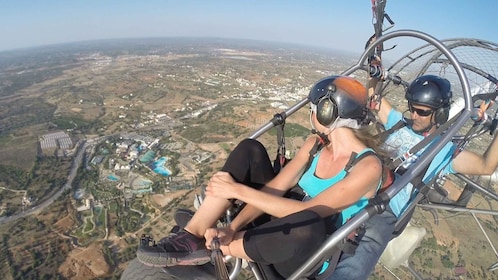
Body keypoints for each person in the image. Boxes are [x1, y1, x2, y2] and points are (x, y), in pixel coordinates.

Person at [136, 75, 386, 278]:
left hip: (303, 251)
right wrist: (232, 228)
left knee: (307, 223)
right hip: (270, 228)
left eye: (313, 109)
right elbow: (275, 188)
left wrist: (235, 192)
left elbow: (310, 211)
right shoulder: (316, 144)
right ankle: (190, 237)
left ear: (325, 112)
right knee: (250, 149)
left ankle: (216, 252)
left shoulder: (368, 167)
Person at [328, 74, 498, 279]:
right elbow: (373, 97)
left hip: (385, 208)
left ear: (440, 114)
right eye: (412, 108)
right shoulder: (398, 122)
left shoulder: (445, 151)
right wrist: (376, 68)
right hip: (357, 182)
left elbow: (486, 165)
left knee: (360, 256)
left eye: (422, 112)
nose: (414, 115)